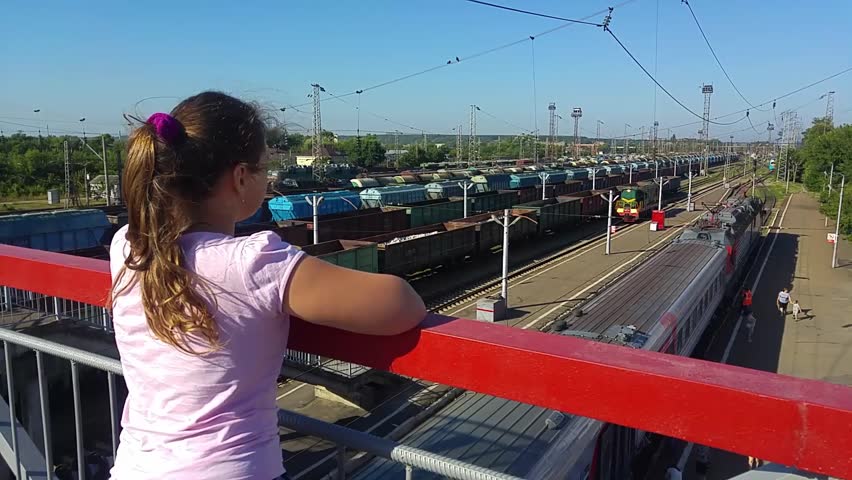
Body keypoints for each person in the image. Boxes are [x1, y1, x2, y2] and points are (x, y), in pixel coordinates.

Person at [109, 92, 426, 480]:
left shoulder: (127, 244)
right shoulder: (254, 261)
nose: (269, 180)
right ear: (240, 178)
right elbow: (401, 305)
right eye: (264, 170)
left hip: (135, 467)